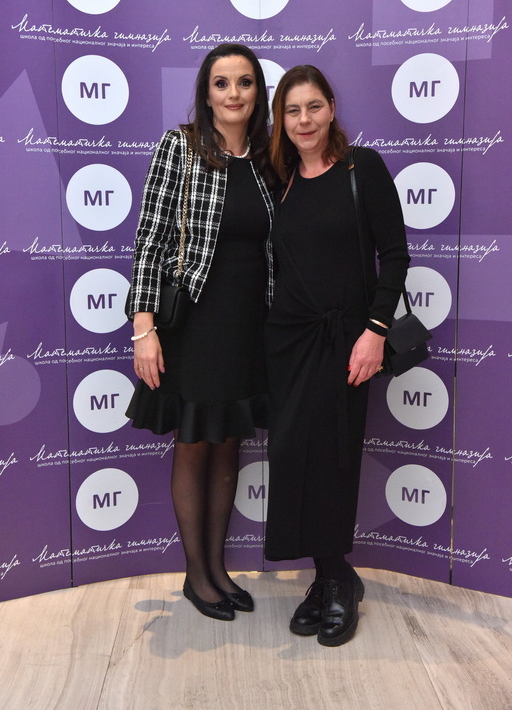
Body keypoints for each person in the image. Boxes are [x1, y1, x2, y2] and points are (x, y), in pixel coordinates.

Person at [125, 44, 275, 621]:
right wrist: (143, 329)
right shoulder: (181, 146)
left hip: (248, 326)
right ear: (206, 93)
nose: (234, 93)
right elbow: (150, 239)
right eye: (222, 83)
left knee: (228, 443)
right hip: (194, 323)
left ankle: (217, 568)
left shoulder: (267, 158)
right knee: (193, 444)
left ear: (258, 92)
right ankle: (196, 576)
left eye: (245, 82)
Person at [264, 65, 410, 646]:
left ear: (331, 107)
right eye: (292, 110)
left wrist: (375, 331)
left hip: (348, 340)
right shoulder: (278, 181)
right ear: (281, 119)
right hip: (288, 342)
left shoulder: (361, 168)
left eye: (314, 107)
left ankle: (336, 580)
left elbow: (394, 254)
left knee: (334, 459)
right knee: (292, 458)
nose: (304, 120)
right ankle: (330, 577)